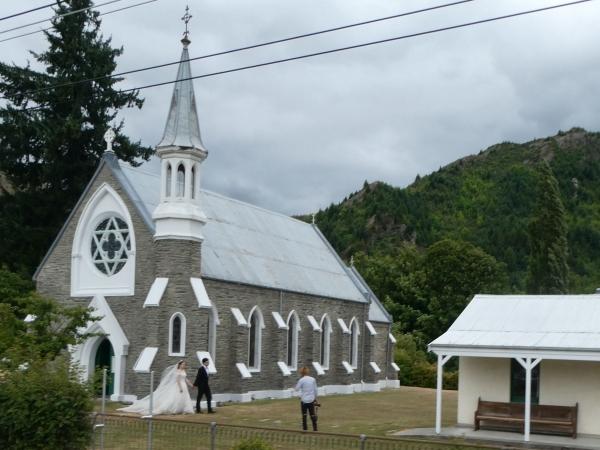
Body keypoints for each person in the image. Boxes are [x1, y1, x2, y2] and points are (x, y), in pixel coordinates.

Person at [118, 360, 194, 415]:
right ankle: (174, 409)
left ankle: (185, 409)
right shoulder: (177, 371)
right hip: (179, 386)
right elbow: (177, 380)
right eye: (183, 364)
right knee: (176, 398)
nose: (184, 365)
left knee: (184, 398)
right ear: (180, 365)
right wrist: (180, 387)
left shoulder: (184, 371)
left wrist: (191, 385)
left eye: (185, 364)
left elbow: (186, 379)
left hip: (184, 386)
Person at [294, 366, 318, 431]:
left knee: (304, 415)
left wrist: (299, 394)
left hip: (304, 400)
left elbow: (296, 389)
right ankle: (315, 429)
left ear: (301, 373)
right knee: (312, 414)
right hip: (311, 399)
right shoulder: (313, 379)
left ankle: (305, 429)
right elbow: (315, 390)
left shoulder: (301, 380)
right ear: (308, 372)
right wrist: (316, 399)